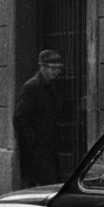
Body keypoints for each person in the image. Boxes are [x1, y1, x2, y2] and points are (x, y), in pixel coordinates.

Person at [13, 49, 65, 186]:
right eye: (53, 68)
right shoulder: (31, 87)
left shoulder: (53, 86)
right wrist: (33, 142)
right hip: (37, 152)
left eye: (59, 68)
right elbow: (19, 119)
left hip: (49, 149)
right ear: (42, 67)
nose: (56, 72)